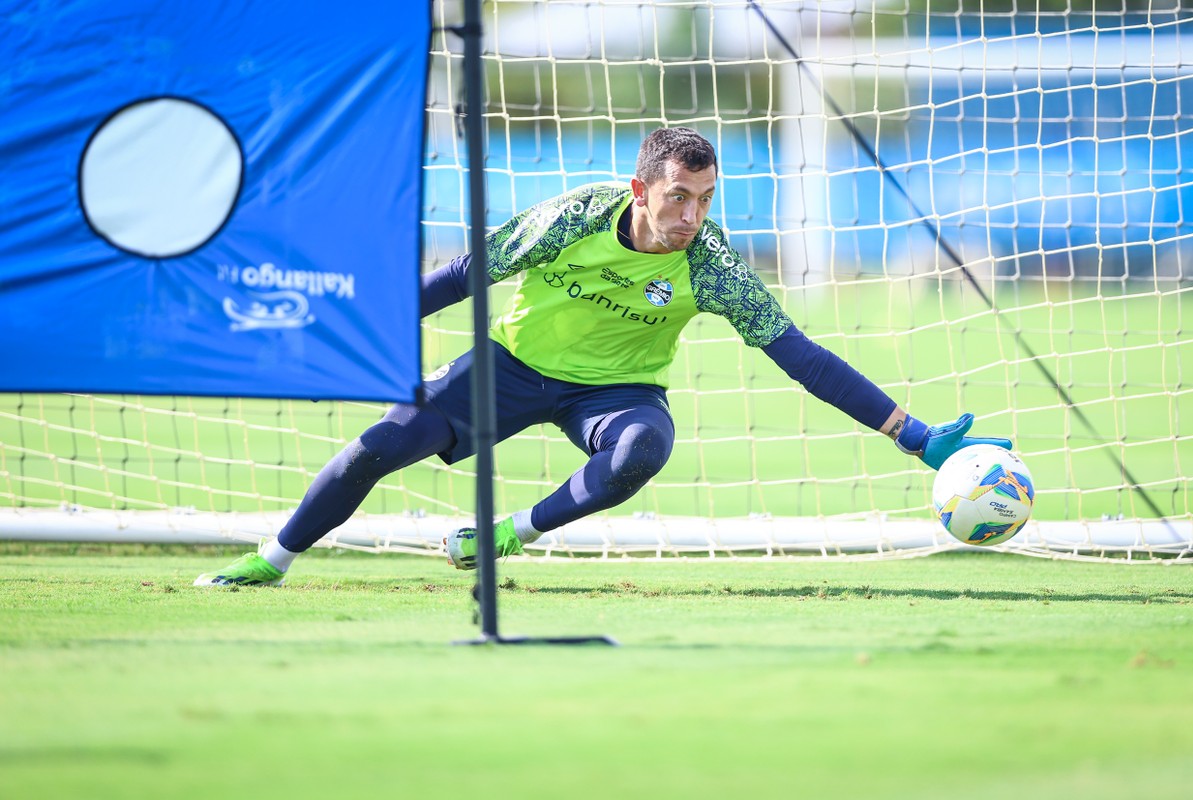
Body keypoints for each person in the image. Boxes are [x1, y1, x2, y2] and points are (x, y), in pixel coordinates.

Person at [195, 127, 1011, 587]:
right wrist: (367, 330)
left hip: (615, 392)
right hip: (511, 366)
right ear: (640, 189)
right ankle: (273, 559)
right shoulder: (571, 217)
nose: (691, 215)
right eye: (678, 197)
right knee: (380, 446)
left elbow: (800, 356)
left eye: (705, 199)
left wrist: (913, 434)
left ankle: (507, 532)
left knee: (643, 449)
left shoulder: (711, 264)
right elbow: (460, 277)